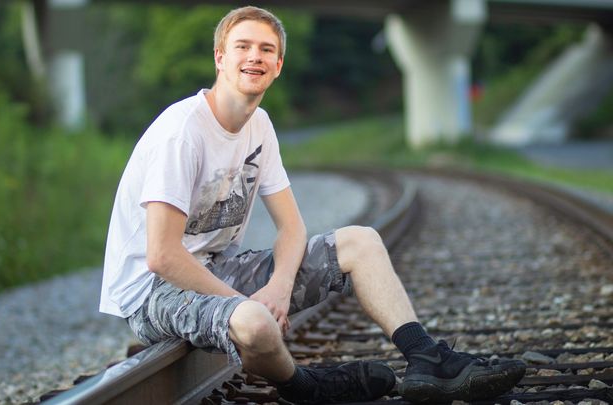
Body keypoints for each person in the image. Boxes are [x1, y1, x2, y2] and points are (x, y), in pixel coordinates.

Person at [99, 6, 526, 404]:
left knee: (361, 242)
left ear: (278, 65)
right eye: (243, 47)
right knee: (255, 323)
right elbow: (162, 256)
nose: (255, 57)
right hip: (153, 292)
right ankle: (305, 386)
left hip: (214, 268)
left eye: (266, 49)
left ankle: (426, 358)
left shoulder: (259, 126)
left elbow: (292, 228)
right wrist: (248, 302)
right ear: (220, 58)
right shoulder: (182, 133)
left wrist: (279, 287)